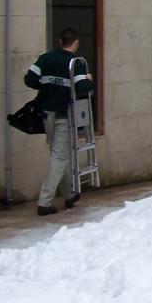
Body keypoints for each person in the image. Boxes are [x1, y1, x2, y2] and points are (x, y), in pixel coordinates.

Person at [25, 28, 93, 216]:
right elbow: (83, 88)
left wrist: (46, 87)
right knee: (60, 157)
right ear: (76, 43)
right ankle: (44, 201)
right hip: (63, 116)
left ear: (60, 41)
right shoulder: (75, 63)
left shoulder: (45, 59)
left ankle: (70, 193)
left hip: (46, 114)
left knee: (61, 154)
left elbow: (29, 80)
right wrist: (89, 80)